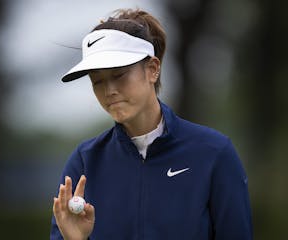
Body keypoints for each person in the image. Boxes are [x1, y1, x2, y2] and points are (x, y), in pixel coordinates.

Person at [51, 8, 252, 240]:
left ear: (153, 69)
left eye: (119, 75)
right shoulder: (86, 161)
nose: (109, 91)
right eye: (97, 81)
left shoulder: (214, 153)